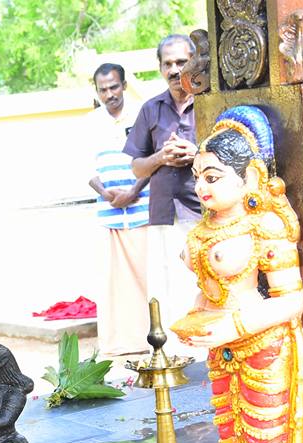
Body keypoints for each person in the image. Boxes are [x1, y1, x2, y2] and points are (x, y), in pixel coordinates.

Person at [173, 106, 303, 443]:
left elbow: (291, 300)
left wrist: (233, 325)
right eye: (198, 177)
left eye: (213, 177)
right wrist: (195, 319)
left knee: (265, 436)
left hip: (264, 345)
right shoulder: (203, 230)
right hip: (222, 347)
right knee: (231, 435)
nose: (202, 187)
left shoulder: (266, 226)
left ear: (249, 177)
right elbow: (209, 290)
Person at [123, 34, 201, 345]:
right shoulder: (151, 109)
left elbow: (233, 155)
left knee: (204, 280)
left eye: (181, 62)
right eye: (167, 63)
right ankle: (176, 354)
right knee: (168, 284)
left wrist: (196, 153)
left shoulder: (210, 101)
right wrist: (160, 157)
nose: (174, 69)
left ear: (193, 63)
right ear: (159, 68)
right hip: (164, 212)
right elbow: (136, 167)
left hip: (205, 209)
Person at [86, 62, 151, 356]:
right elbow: (85, 167)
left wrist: (133, 192)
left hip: (142, 211)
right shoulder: (90, 122)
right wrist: (106, 193)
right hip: (108, 213)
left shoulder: (143, 113)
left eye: (114, 87)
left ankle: (153, 339)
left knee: (145, 276)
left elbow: (152, 160)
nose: (109, 94)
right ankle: (119, 343)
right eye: (103, 89)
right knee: (114, 284)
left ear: (124, 85)